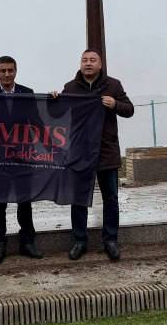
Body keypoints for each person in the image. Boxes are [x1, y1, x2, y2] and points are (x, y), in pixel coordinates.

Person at [52, 49, 134, 262]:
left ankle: (110, 240)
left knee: (111, 198)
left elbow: (129, 109)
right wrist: (54, 99)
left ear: (100, 64)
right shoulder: (70, 88)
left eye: (92, 60)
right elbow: (57, 115)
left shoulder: (113, 85)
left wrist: (115, 104)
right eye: (84, 60)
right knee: (78, 199)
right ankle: (79, 241)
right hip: (80, 152)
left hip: (106, 152)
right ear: (80, 64)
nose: (88, 63)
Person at [0, 55, 42, 265]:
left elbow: (37, 124)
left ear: (16, 71)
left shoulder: (27, 93)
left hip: (24, 157)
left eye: (10, 70)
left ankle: (27, 242)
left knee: (25, 202)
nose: (7, 74)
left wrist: (54, 148)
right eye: (3, 71)